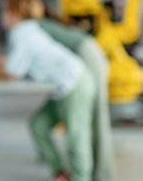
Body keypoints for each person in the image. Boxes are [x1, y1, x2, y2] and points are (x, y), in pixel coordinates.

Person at [0, 0, 96, 181]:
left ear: (16, 14)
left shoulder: (20, 32)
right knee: (38, 125)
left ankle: (81, 178)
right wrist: (4, 64)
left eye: (4, 11)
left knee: (75, 138)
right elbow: (22, 63)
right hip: (66, 86)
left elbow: (13, 73)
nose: (2, 16)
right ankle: (61, 174)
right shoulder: (29, 28)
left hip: (74, 84)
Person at [40, 16, 117, 181]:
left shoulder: (32, 27)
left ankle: (103, 175)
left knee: (97, 118)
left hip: (88, 55)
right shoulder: (42, 25)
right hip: (86, 54)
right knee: (87, 122)